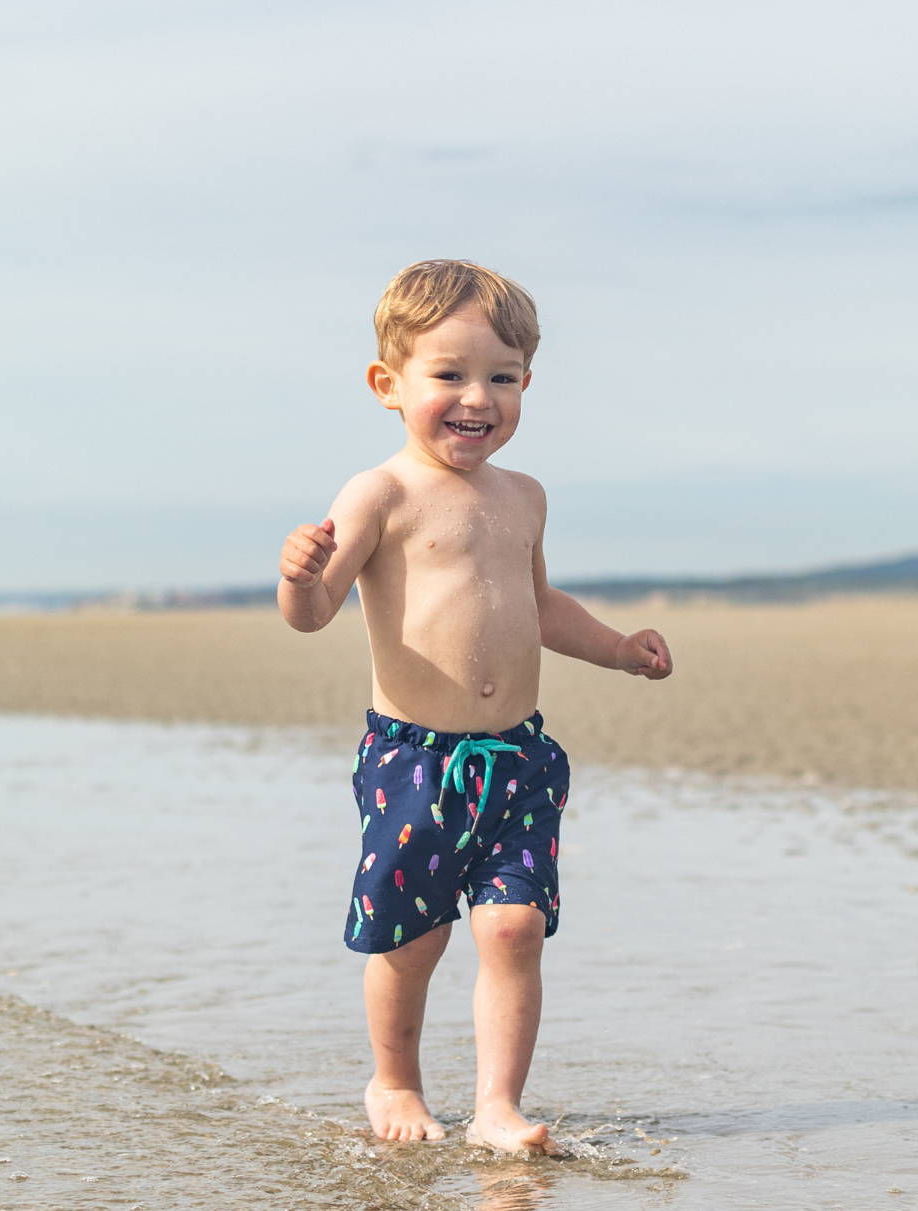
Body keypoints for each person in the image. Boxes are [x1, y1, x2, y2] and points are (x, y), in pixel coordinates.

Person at [278, 259, 672, 1154]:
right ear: (390, 385)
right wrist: (297, 579)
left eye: (501, 377)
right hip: (414, 761)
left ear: (527, 382)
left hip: (518, 759)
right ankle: (395, 1082)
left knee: (514, 926)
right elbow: (314, 615)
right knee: (413, 940)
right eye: (448, 375)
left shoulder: (523, 496)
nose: (476, 397)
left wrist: (616, 649)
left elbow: (541, 607)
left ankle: (498, 1105)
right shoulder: (380, 493)